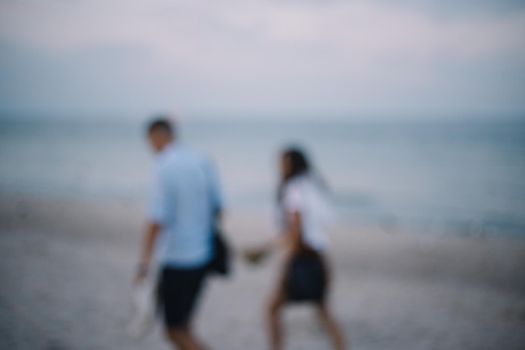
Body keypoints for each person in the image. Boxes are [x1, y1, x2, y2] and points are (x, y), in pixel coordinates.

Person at [245, 147, 346, 350]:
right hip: (318, 257)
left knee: (272, 310)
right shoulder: (312, 186)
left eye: (282, 163)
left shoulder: (293, 190)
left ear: (291, 164)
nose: (279, 168)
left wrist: (285, 261)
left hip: (301, 258)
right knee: (322, 310)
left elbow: (296, 230)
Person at [135, 117, 222, 350]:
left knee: (174, 331)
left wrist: (143, 263)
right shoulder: (202, 161)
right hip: (203, 255)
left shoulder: (163, 165)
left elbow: (156, 219)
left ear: (157, 136)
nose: (150, 147)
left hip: (177, 258)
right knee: (184, 326)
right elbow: (219, 209)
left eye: (150, 141)